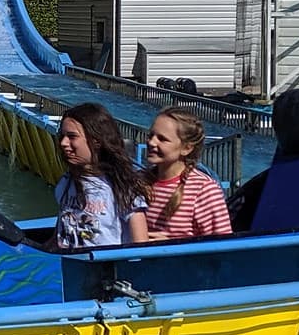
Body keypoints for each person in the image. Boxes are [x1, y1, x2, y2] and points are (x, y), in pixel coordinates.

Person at [53, 103, 147, 248]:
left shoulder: (121, 186)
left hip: (106, 267)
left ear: (96, 141)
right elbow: (61, 230)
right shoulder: (66, 181)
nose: (64, 143)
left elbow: (141, 246)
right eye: (62, 136)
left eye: (72, 137)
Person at [141, 105, 232, 240]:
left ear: (186, 148)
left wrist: (173, 246)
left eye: (162, 139)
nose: (151, 142)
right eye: (151, 135)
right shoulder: (140, 181)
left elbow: (223, 246)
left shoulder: (204, 190)